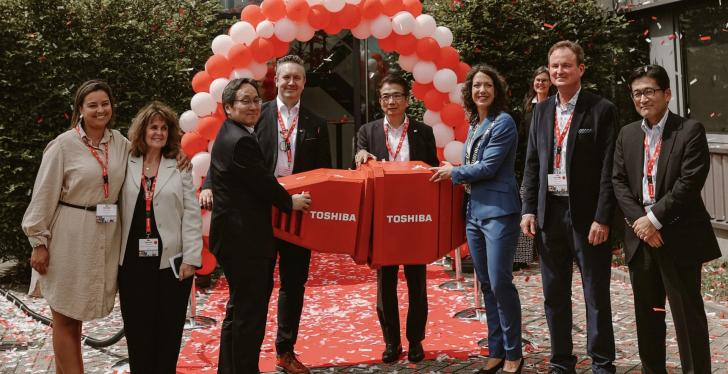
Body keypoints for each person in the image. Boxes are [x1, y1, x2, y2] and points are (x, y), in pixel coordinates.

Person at [201, 54, 331, 374]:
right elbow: (241, 166)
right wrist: (208, 184)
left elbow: (325, 171)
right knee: (250, 302)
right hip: (261, 216)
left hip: (297, 212)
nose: (291, 83)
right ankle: (242, 366)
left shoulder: (317, 123)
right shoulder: (256, 116)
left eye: (297, 78)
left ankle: (284, 351)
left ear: (304, 82)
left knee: (291, 284)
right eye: (286, 77)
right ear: (278, 80)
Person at [612, 64, 721, 373]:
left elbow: (688, 183)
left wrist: (654, 219)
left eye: (649, 91)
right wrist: (641, 224)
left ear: (667, 94)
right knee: (648, 318)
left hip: (678, 236)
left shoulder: (689, 131)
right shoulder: (627, 134)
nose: (642, 99)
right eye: (637, 93)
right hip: (641, 238)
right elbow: (618, 182)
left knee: (688, 320)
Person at [520, 40, 617, 374]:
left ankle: (603, 363)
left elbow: (609, 170)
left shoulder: (601, 109)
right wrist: (528, 208)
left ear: (581, 69)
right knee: (554, 294)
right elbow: (532, 163)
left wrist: (603, 217)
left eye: (566, 66)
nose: (558, 72)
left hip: (587, 218)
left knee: (595, 295)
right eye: (554, 66)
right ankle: (562, 362)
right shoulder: (542, 110)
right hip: (550, 216)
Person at [23, 80, 129, 373]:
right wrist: (39, 243)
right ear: (80, 110)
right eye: (92, 105)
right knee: (66, 318)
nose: (100, 110)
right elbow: (44, 195)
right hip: (69, 236)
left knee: (78, 314)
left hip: (104, 236)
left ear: (112, 106)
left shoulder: (120, 143)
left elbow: (151, 160)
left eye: (104, 103)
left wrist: (178, 156)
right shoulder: (63, 146)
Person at [430, 64, 523, 374]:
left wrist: (453, 172)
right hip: (474, 213)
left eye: (487, 85)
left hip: (498, 212)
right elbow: (474, 164)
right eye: (476, 86)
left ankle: (514, 352)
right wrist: (455, 167)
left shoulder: (504, 122)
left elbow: (489, 167)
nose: (481, 90)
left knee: (500, 282)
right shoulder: (474, 125)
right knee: (484, 284)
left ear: (495, 91)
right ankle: (496, 349)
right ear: (469, 93)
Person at [354, 74, 438, 364]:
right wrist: (359, 156)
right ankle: (391, 342)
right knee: (385, 283)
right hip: (383, 219)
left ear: (407, 99)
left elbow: (432, 172)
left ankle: (415, 340)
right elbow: (358, 170)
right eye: (385, 97)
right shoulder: (367, 131)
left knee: (417, 282)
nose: (391, 101)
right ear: (380, 101)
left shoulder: (423, 132)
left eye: (396, 96)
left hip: (415, 217)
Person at [118, 101, 202, 372]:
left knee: (168, 332)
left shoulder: (180, 165)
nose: (159, 132)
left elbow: (191, 213)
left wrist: (192, 257)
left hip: (171, 264)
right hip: (132, 263)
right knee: (138, 330)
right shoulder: (125, 161)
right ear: (142, 130)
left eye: (164, 128)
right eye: (153, 127)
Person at [514, 66, 553, 271]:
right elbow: (522, 139)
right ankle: (523, 256)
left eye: (545, 80)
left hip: (552, 168)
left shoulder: (556, 105)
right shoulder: (528, 107)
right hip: (531, 167)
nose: (541, 84)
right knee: (527, 207)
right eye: (538, 80)